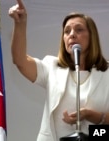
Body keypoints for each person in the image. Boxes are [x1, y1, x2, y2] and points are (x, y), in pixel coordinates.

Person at [9, 0, 109, 140]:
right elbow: (20, 60)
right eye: (67, 31)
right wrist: (20, 24)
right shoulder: (52, 66)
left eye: (79, 29)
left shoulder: (107, 72)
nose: (72, 34)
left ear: (92, 36)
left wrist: (90, 115)